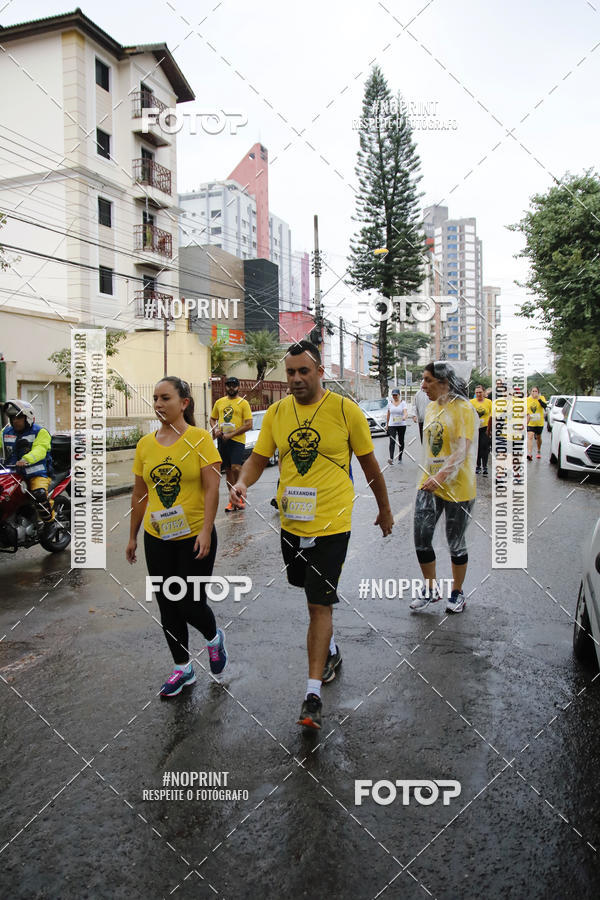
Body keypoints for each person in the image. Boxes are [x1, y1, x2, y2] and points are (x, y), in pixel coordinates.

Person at [230, 340, 394, 731]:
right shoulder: (278, 412)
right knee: (308, 595)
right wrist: (242, 484)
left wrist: (385, 509)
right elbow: (256, 458)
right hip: (291, 523)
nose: (297, 379)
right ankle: (331, 650)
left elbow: (370, 466)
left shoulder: (344, 410)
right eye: (290, 372)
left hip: (333, 524)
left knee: (320, 606)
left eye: (304, 371)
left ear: (321, 372)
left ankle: (312, 694)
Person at [126, 377, 228, 698]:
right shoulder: (145, 444)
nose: (158, 404)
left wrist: (206, 529)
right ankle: (182, 668)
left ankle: (213, 638)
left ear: (184, 402)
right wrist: (132, 536)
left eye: (165, 398)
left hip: (194, 535)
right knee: (167, 605)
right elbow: (140, 494)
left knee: (189, 601)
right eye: (155, 398)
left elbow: (212, 487)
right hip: (157, 537)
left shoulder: (200, 438)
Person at [410, 361, 478, 615]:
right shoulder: (429, 408)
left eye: (427, 380)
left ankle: (457, 593)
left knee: (455, 542)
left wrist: (441, 476)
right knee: (421, 538)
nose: (423, 385)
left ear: (444, 383)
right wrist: (430, 477)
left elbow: (462, 451)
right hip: (429, 484)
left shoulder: (463, 409)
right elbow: (430, 448)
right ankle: (430, 589)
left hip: (458, 488)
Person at [1, 399, 56, 537]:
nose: (15, 421)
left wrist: (26, 459)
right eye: (12, 417)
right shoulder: (6, 431)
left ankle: (50, 523)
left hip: (37, 474)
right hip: (13, 473)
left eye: (19, 417)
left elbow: (40, 449)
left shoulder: (40, 432)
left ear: (28, 417)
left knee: (39, 494)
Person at [210, 377, 252, 512]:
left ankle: (240, 495)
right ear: (225, 387)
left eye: (234, 386)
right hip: (223, 440)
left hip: (237, 441)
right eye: (228, 386)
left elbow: (249, 424)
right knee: (227, 470)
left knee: (236, 468)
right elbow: (212, 418)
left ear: (238, 387)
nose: (231, 388)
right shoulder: (219, 402)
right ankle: (232, 500)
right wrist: (215, 429)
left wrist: (232, 434)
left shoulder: (243, 403)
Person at [470, 385, 493, 475]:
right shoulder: (471, 402)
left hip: (485, 428)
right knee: (477, 447)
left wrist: (490, 429)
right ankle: (478, 465)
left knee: (485, 447)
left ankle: (485, 466)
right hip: (475, 428)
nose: (479, 394)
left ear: (484, 393)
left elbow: (492, 415)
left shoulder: (489, 402)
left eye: (480, 392)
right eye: (477, 392)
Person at [387, 388, 408, 464]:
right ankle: (391, 458)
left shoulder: (403, 403)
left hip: (401, 424)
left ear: (399, 395)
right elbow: (388, 414)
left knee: (401, 441)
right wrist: (387, 425)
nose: (395, 396)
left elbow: (405, 412)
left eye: (396, 395)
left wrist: (404, 417)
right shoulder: (390, 403)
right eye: (393, 395)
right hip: (392, 424)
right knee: (392, 440)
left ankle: (400, 456)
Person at [526, 386, 547, 460]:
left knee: (538, 437)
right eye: (533, 391)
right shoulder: (527, 400)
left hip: (539, 422)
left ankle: (538, 450)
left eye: (536, 391)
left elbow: (545, 406)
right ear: (530, 392)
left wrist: (539, 399)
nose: (534, 393)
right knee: (530, 436)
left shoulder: (542, 398)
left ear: (538, 392)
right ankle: (529, 453)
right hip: (531, 422)